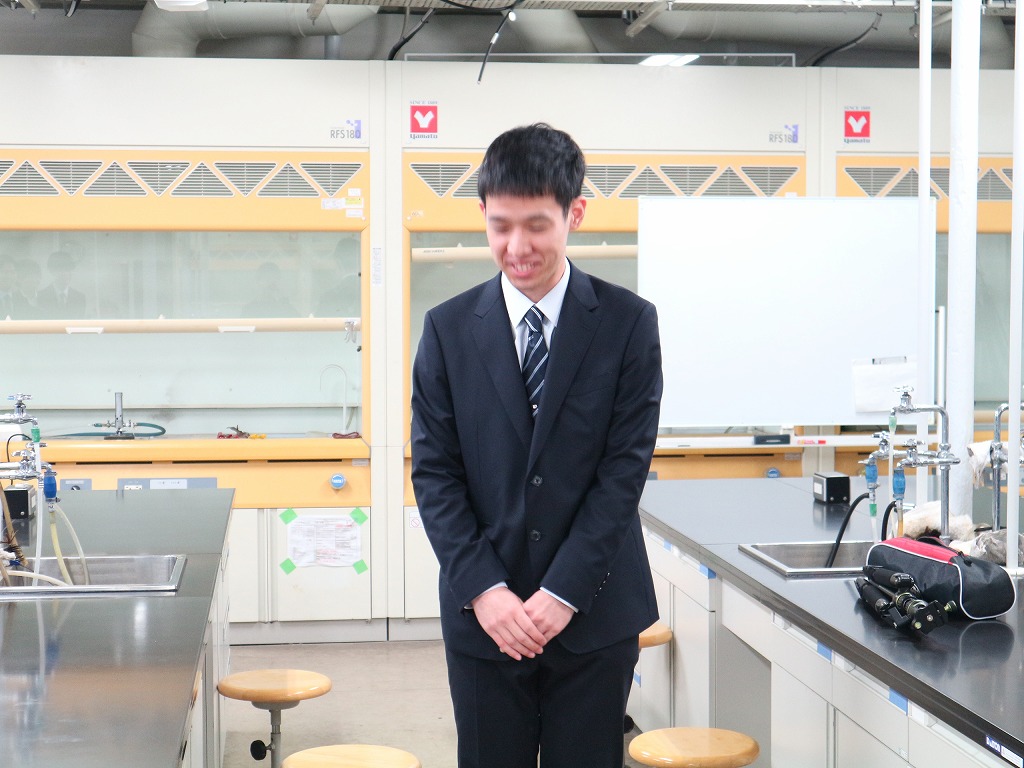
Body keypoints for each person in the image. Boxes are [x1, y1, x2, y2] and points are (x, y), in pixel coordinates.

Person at [410, 123, 664, 768]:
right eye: (500, 226)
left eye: (537, 226)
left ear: (575, 213)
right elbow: (435, 475)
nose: (516, 247)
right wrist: (485, 591)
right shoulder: (446, 330)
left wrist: (563, 592)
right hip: (485, 619)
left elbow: (622, 474)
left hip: (594, 611)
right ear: (482, 215)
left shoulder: (628, 324)